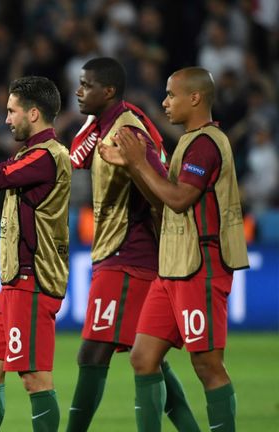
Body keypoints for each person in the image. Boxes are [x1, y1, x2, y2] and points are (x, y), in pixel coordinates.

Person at [99, 67, 249, 432]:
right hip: (172, 268)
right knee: (143, 358)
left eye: (171, 95)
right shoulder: (188, 141)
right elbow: (163, 201)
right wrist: (133, 168)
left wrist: (138, 162)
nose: (164, 102)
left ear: (195, 98)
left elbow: (180, 200)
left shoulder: (206, 144)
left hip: (201, 268)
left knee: (208, 366)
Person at [66, 57, 199, 432]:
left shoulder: (129, 133)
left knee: (92, 353)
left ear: (108, 91)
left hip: (129, 255)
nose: (79, 91)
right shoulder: (107, 126)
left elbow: (164, 197)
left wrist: (134, 165)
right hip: (117, 253)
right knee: (148, 357)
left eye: (86, 85)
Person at [0, 77, 71, 432]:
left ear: (34, 113)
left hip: (34, 281)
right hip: (14, 281)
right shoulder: (29, 155)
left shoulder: (48, 156)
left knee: (34, 378)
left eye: (12, 111)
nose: (7, 119)